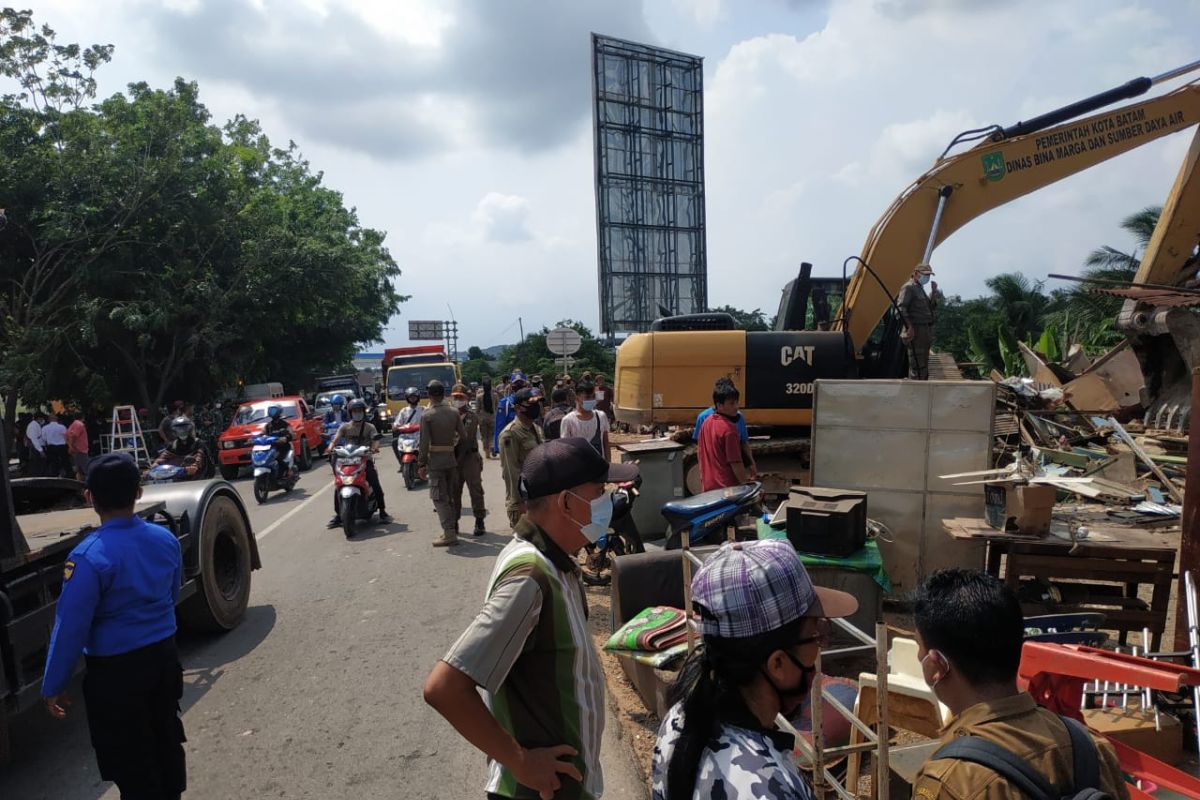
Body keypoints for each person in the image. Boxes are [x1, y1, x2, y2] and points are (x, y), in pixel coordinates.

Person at [424, 437, 638, 800]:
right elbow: (444, 688)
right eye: (599, 491)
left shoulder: (555, 561)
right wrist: (520, 761)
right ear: (567, 502)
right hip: (540, 789)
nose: (607, 501)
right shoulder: (530, 578)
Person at [652, 539, 858, 800]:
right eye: (816, 635)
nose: (819, 651)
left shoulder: (681, 718)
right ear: (778, 664)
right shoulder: (770, 787)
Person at [910, 568, 1129, 799]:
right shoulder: (1091, 748)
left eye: (919, 646)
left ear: (937, 665)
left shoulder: (953, 780)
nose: (917, 655)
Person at [41, 452, 186, 799]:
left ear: (90, 497)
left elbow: (71, 628)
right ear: (138, 493)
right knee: (166, 741)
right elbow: (172, 591)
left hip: (117, 677)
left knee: (131, 764)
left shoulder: (88, 557)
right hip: (165, 661)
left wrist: (53, 684)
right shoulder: (164, 539)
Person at [327, 398, 391, 528]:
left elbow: (375, 439)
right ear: (350, 413)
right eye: (355, 411)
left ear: (363, 412)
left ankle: (383, 512)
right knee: (339, 485)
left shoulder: (369, 427)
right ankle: (339, 515)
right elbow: (336, 438)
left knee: (374, 482)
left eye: (359, 410)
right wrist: (330, 447)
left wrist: (374, 448)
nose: (357, 413)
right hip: (347, 460)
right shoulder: (345, 427)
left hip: (364, 459)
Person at [419, 380, 467, 547]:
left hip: (436, 462)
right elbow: (464, 436)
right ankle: (452, 528)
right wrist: (456, 455)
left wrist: (421, 464)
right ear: (443, 393)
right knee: (451, 496)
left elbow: (424, 443)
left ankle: (449, 533)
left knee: (439, 498)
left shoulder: (427, 415)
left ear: (429, 395)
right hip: (451, 459)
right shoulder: (454, 412)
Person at [693, 378, 758, 483]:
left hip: (710, 484)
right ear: (719, 405)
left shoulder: (707, 421)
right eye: (731, 403)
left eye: (736, 402)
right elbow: (736, 462)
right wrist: (745, 486)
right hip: (726, 488)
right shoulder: (729, 429)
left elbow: (700, 449)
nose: (736, 407)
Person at [498, 388, 544, 529]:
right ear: (518, 408)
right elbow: (511, 472)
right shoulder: (510, 434)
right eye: (531, 404)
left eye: (538, 403)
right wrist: (519, 503)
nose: (536, 408)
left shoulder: (535, 428)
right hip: (523, 501)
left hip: (538, 496)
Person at [451, 383, 488, 536]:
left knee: (475, 490)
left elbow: (467, 439)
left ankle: (479, 521)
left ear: (466, 399)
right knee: (454, 492)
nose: (458, 400)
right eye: (455, 397)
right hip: (453, 458)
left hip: (469, 458)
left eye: (461, 397)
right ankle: (454, 522)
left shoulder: (471, 416)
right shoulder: (449, 415)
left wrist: (458, 460)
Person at [897, 262, 937, 380]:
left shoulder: (919, 288)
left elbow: (930, 307)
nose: (927, 278)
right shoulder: (908, 287)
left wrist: (934, 292)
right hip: (916, 330)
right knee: (917, 364)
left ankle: (922, 388)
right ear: (915, 273)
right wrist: (909, 327)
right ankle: (916, 391)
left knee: (923, 362)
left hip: (925, 330)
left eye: (929, 275)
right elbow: (900, 309)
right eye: (924, 275)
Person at [560, 380, 611, 461]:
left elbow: (606, 443)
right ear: (577, 398)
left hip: (599, 468)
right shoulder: (568, 420)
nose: (591, 400)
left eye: (593, 396)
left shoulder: (601, 416)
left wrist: (609, 464)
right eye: (587, 397)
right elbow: (565, 449)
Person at [492, 372, 526, 456]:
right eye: (516, 383)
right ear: (511, 385)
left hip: (528, 443)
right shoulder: (505, 403)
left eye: (521, 383)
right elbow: (499, 425)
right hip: (511, 443)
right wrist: (497, 446)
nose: (518, 385)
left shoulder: (532, 400)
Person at [392, 387, 424, 472]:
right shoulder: (403, 411)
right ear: (407, 398)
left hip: (419, 435)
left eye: (414, 397)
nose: (412, 399)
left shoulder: (423, 409)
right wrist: (395, 427)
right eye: (410, 397)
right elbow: (397, 423)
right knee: (394, 442)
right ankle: (402, 463)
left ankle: (425, 464)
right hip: (406, 436)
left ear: (418, 397)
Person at [262, 404, 296, 479]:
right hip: (271, 448)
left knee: (278, 458)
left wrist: (285, 438)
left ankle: (288, 470)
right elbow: (262, 434)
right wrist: (252, 439)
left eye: (274, 410)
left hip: (283, 447)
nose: (272, 412)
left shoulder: (285, 424)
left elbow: (291, 434)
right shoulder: (268, 426)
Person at [43, 412, 69, 478]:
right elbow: (66, 437)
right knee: (65, 461)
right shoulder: (62, 427)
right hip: (62, 447)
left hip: (51, 447)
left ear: (49, 419)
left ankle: (54, 475)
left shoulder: (45, 428)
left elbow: (44, 438)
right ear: (57, 419)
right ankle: (68, 475)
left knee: (53, 462)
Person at [66, 413, 91, 481]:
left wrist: (70, 446)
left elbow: (67, 436)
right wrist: (71, 447)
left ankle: (80, 486)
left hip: (76, 450)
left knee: (79, 470)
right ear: (83, 417)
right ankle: (89, 485)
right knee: (86, 469)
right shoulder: (79, 424)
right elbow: (73, 435)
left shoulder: (72, 425)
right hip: (80, 450)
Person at [25, 410, 46, 477]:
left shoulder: (36, 425)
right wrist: (41, 450)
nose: (43, 420)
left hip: (37, 446)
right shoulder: (33, 426)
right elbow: (34, 439)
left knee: (38, 463)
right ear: (39, 418)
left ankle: (38, 476)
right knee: (36, 463)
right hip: (35, 447)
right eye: (42, 418)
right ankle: (37, 477)